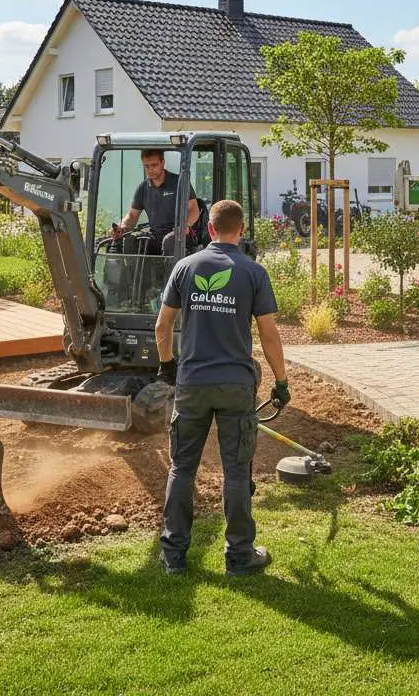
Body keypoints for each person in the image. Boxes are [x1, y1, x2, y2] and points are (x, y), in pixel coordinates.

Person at [153, 198, 290, 576]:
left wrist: (167, 366)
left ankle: (173, 556)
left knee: (182, 468)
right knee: (236, 470)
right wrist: (280, 382)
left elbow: (162, 327)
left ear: (210, 229)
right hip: (235, 386)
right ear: (240, 230)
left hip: (192, 384)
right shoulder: (253, 272)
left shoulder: (185, 267)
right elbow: (269, 336)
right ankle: (240, 556)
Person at [111, 149, 200, 254]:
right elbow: (132, 216)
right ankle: (131, 271)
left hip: (179, 235)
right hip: (154, 236)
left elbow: (193, 209)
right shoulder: (143, 188)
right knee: (130, 241)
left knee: (168, 241)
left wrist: (186, 225)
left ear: (162, 163)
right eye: (146, 166)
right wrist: (122, 227)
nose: (150, 170)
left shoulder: (179, 182)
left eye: (154, 165)